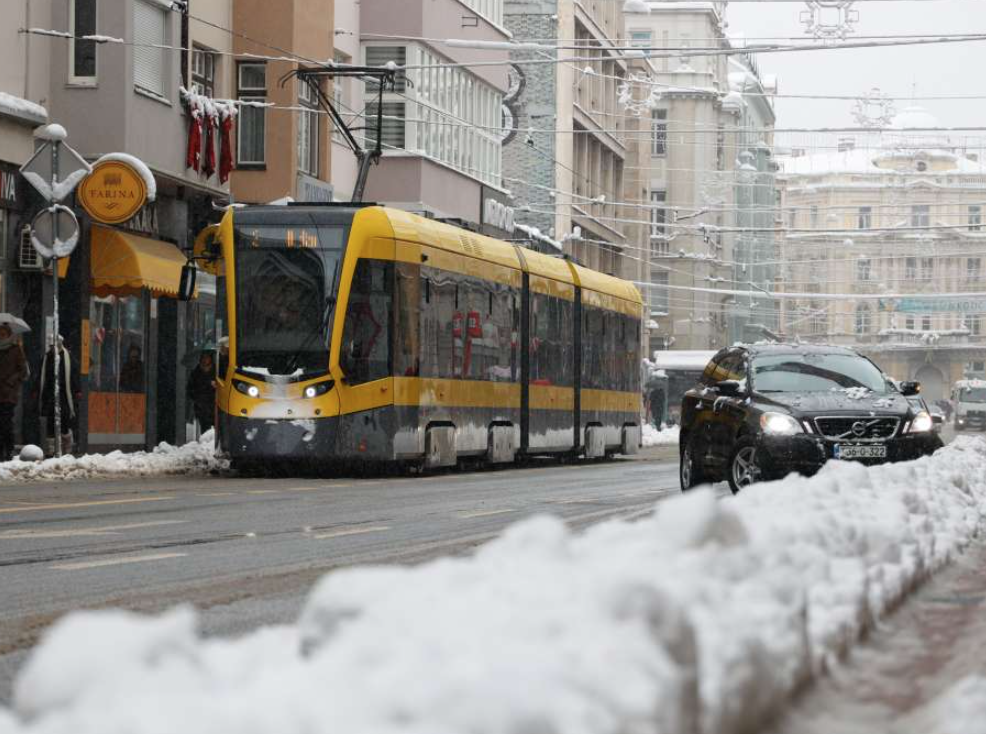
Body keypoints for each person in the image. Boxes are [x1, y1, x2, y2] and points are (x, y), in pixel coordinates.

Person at [35, 335, 80, 456]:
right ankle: (51, 449)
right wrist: (36, 390)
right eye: (51, 345)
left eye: (55, 345)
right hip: (50, 394)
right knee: (50, 421)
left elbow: (74, 375)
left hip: (64, 394)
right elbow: (41, 376)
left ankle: (67, 447)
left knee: (64, 419)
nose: (53, 347)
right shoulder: (46, 358)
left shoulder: (68, 357)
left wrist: (77, 390)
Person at [0, 325, 27, 460]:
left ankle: (8, 449)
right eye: (0, 333)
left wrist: (11, 380)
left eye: (4, 333)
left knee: (5, 422)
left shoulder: (16, 350)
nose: (2, 335)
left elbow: (24, 371)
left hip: (8, 393)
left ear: (9, 334)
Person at [186, 350, 216, 434]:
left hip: (214, 406)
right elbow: (190, 389)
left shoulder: (217, 371)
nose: (205, 360)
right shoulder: (195, 373)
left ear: (211, 359)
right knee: (205, 429)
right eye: (203, 358)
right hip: (202, 408)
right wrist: (198, 399)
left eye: (207, 358)